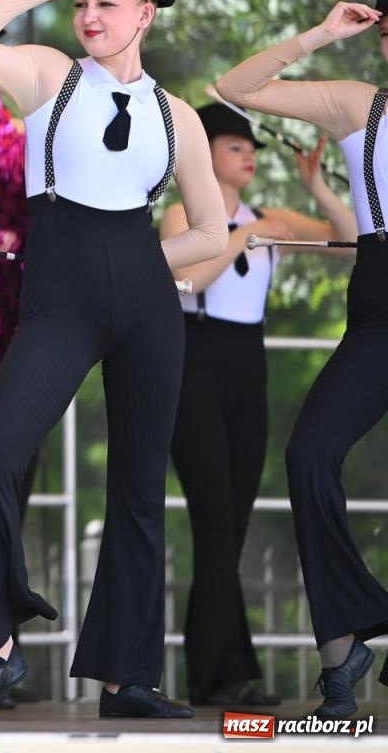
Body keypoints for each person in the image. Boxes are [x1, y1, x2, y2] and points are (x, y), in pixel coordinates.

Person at [0, 0, 225, 719]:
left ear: (146, 14)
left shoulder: (180, 117)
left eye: (107, 3)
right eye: (82, 4)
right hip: (59, 293)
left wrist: (139, 266)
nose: (90, 15)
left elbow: (212, 228)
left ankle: (126, 677)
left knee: (137, 488)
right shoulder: (48, 75)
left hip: (144, 296)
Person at [214, 0, 388, 720]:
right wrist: (321, 33)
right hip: (379, 305)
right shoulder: (360, 103)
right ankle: (343, 650)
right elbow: (233, 85)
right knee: (308, 454)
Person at [161, 103, 356, 708]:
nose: (248, 156)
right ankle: (220, 672)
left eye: (252, 149)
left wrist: (315, 186)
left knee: (233, 528)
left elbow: (351, 241)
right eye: (236, 146)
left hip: (249, 369)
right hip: (194, 367)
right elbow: (186, 282)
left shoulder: (270, 218)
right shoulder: (180, 214)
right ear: (207, 152)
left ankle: (215, 672)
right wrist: (240, 233)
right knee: (214, 522)